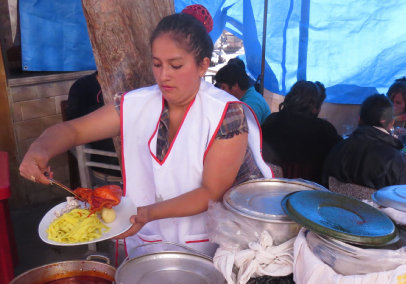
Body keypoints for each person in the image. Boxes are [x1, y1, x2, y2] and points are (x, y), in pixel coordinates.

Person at [19, 11, 271, 257]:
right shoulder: (138, 103)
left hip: (210, 243)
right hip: (150, 239)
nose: (163, 75)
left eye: (175, 65)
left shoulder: (226, 114)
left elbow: (210, 192)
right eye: (157, 64)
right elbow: (73, 130)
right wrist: (39, 149)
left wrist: (146, 214)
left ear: (203, 65)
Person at [323, 94, 406, 189]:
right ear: (391, 122)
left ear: (359, 119)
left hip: (336, 203)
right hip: (376, 204)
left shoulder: (337, 148)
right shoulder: (395, 159)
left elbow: (324, 187)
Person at [261, 80, 341, 185]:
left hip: (268, 185)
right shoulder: (325, 130)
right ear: (315, 106)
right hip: (309, 193)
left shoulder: (272, 120)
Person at [65, 71, 122, 186]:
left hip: (150, 173)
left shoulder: (143, 82)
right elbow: (72, 131)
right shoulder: (83, 87)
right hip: (109, 174)